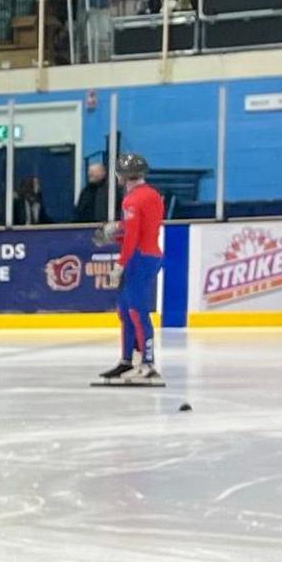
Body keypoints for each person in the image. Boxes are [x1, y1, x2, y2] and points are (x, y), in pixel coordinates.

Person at [97, 152, 166, 387]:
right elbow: (144, 227)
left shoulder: (131, 200)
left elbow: (134, 236)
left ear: (121, 176)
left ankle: (148, 364)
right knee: (125, 311)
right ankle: (128, 360)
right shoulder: (153, 194)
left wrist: (120, 263)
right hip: (151, 254)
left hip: (138, 257)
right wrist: (119, 229)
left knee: (136, 311)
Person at [71, 158, 110, 225]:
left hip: (103, 226)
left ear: (103, 173)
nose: (90, 174)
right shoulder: (86, 191)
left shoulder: (110, 191)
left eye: (94, 172)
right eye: (90, 172)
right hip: (85, 227)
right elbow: (80, 210)